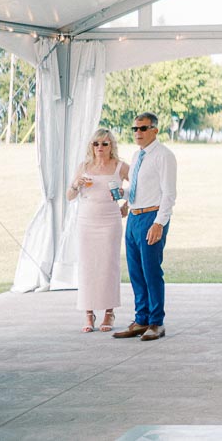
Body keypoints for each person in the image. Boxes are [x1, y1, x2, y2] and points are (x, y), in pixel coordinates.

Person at [113, 113, 177, 342]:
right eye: (135, 129)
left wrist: (159, 223)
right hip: (134, 218)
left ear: (155, 130)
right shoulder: (137, 155)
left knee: (151, 271)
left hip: (152, 217)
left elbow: (169, 194)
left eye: (142, 128)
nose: (137, 133)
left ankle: (156, 322)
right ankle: (141, 319)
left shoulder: (164, 156)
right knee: (136, 272)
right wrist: (125, 197)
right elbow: (136, 188)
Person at [67, 128, 129, 332]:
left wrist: (127, 204)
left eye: (105, 143)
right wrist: (76, 184)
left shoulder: (120, 167)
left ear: (112, 146)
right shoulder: (84, 167)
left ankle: (109, 313)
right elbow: (69, 196)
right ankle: (88, 313)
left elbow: (138, 187)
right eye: (96, 143)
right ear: (91, 146)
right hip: (86, 221)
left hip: (110, 221)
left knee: (108, 266)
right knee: (87, 266)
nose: (100, 147)